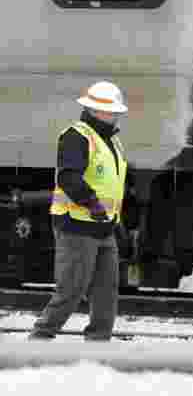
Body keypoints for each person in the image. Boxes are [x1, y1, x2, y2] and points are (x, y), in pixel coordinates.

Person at [30, 81, 128, 341]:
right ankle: (39, 340)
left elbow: (111, 184)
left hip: (104, 227)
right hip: (77, 226)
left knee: (106, 292)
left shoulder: (112, 141)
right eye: (112, 111)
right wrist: (93, 205)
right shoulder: (77, 136)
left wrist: (116, 220)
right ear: (96, 110)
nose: (116, 115)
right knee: (71, 291)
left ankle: (97, 346)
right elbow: (69, 179)